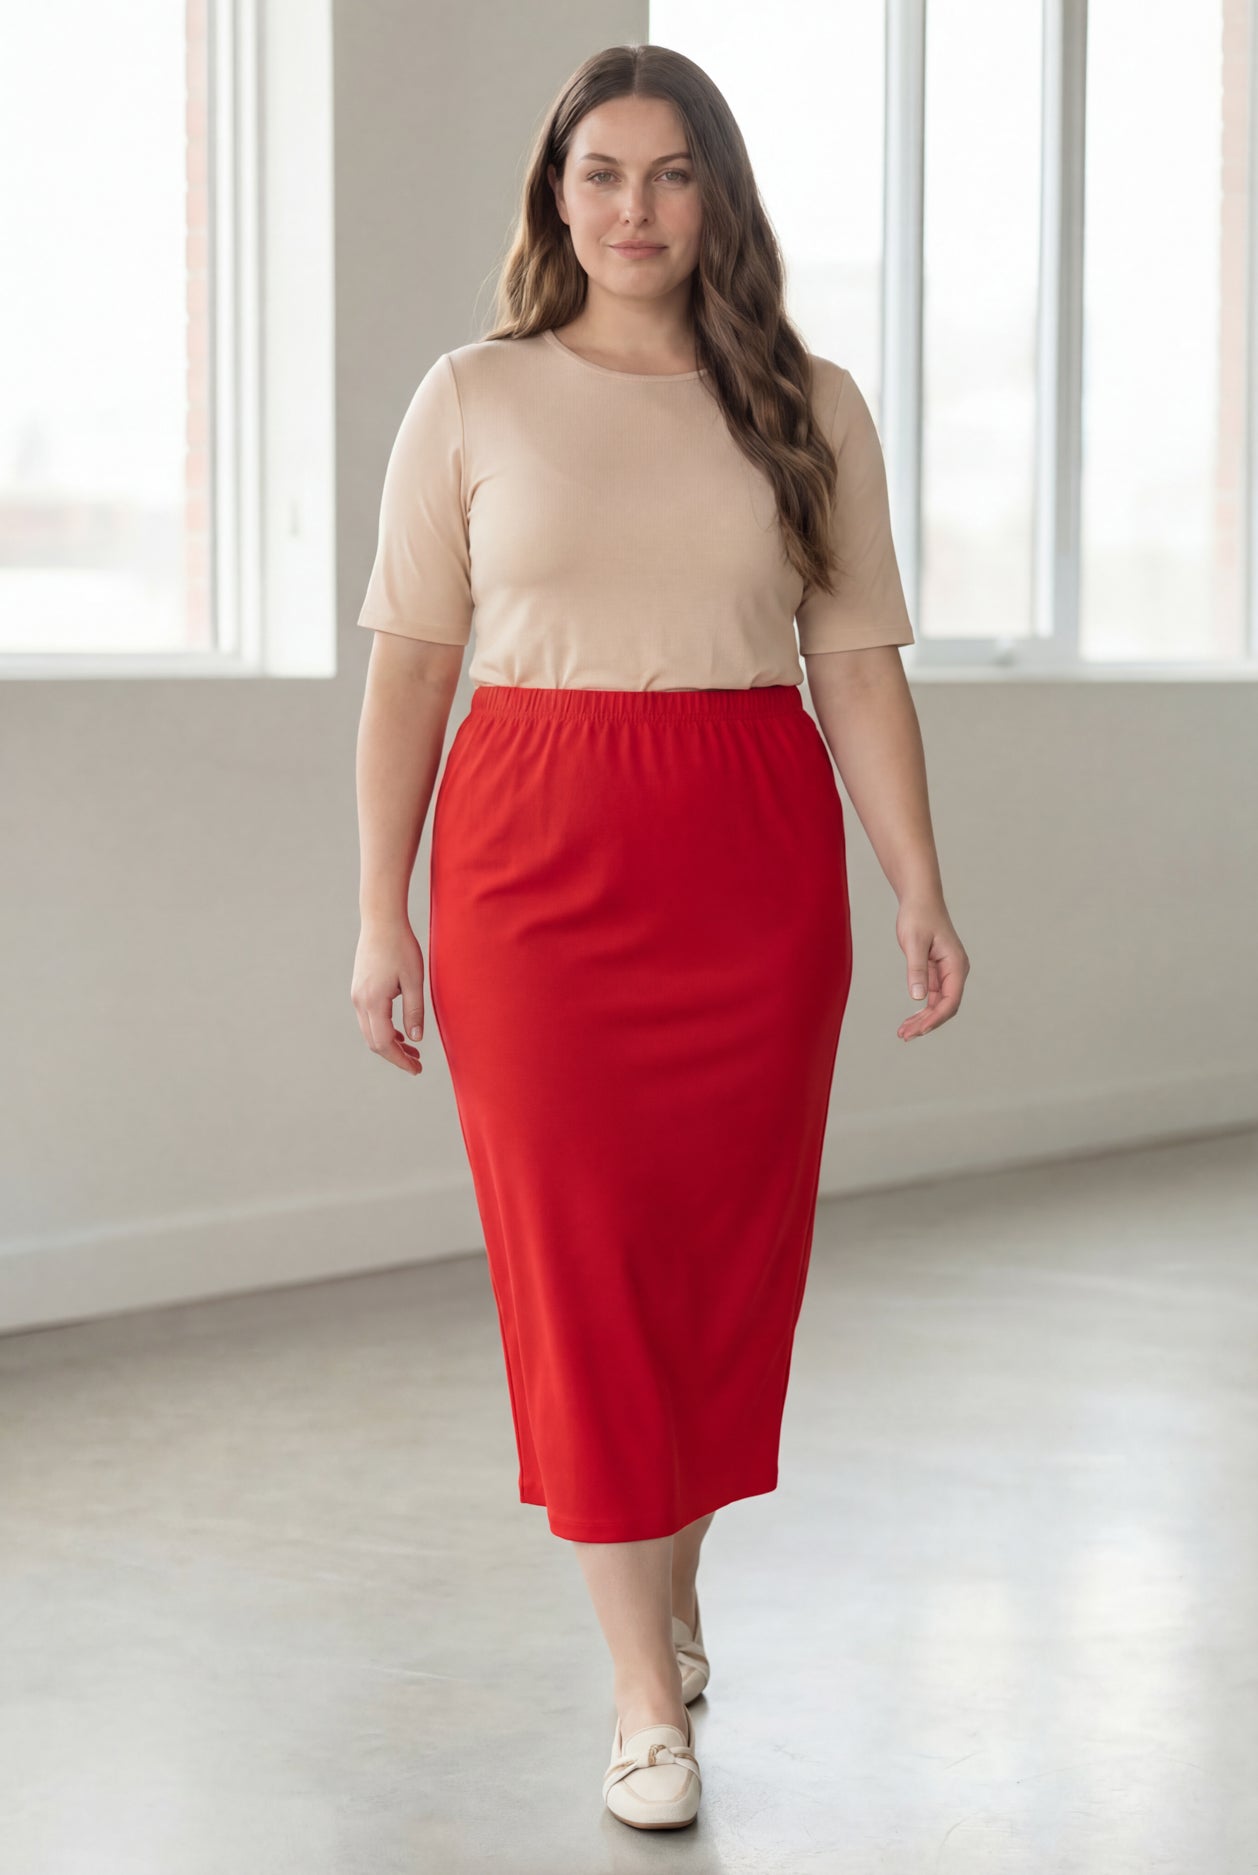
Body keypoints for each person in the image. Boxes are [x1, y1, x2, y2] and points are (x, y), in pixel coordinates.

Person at [352, 43, 969, 1833]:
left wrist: (917, 883)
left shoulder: (805, 403)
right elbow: (411, 673)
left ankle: (668, 1588)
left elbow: (856, 669)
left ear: (717, 196)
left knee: (715, 1268)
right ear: (555, 197)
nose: (635, 208)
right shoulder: (470, 396)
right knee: (583, 1266)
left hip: (747, 853)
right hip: (532, 861)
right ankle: (641, 1698)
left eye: (671, 173)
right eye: (602, 173)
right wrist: (378, 913)